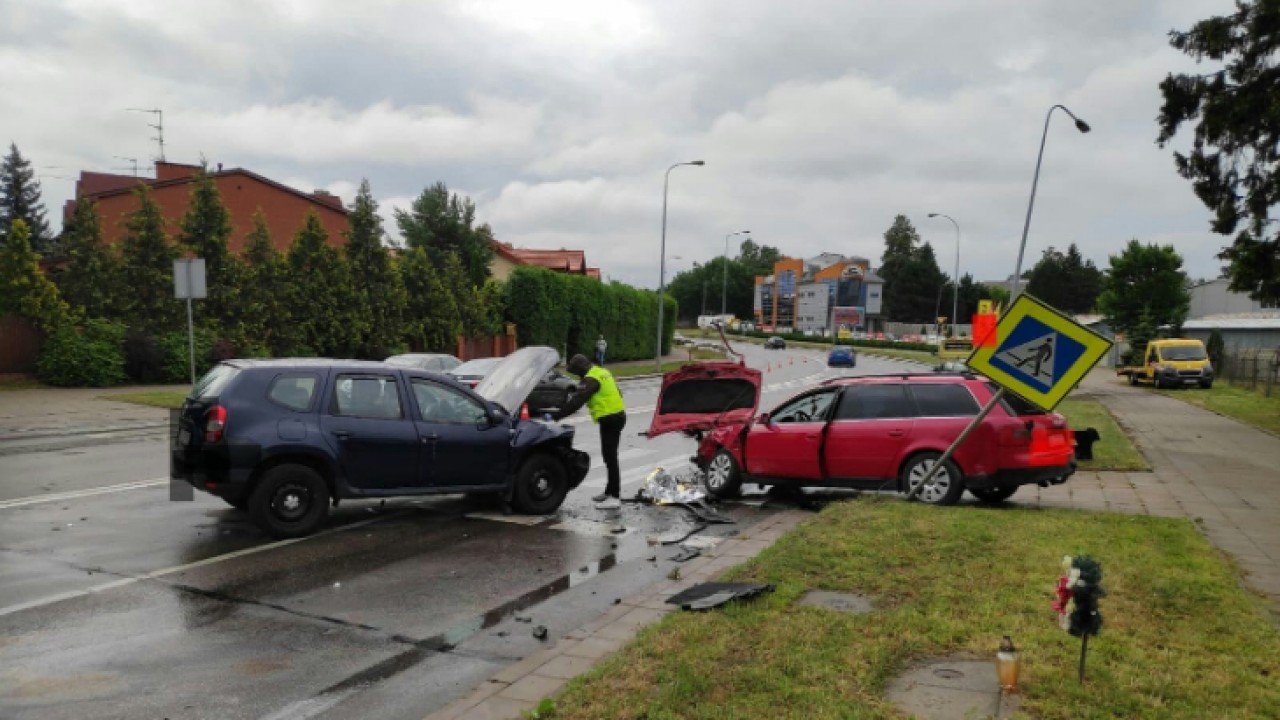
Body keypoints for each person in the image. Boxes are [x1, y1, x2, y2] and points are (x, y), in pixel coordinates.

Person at [551, 354, 625, 508]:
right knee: (608, 456)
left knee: (611, 458)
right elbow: (619, 392)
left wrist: (556, 416)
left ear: (580, 368)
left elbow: (577, 402)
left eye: (576, 372)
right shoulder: (601, 371)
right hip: (615, 417)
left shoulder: (591, 379)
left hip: (611, 419)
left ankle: (615, 497)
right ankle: (609, 491)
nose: (577, 376)